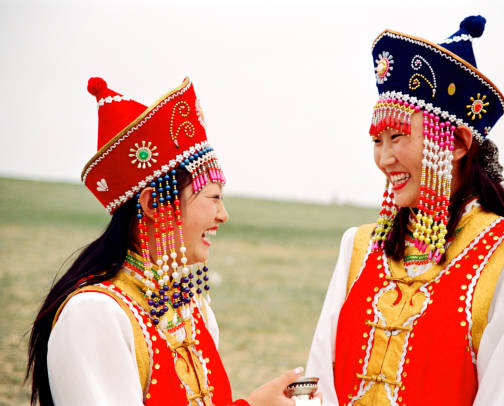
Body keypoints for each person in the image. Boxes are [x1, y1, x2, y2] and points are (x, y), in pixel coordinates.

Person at [306, 16, 504, 406]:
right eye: (377, 140)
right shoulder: (357, 247)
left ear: (456, 142)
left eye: (398, 136)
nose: (384, 158)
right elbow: (318, 383)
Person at [26, 77, 311, 406]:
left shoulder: (191, 306)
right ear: (152, 204)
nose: (224, 215)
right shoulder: (95, 315)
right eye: (214, 197)